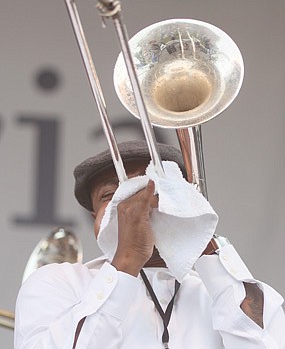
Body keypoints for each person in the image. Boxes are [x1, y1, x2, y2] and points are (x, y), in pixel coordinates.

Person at [14, 140, 285, 349]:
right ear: (95, 218)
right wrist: (127, 260)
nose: (137, 204)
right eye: (112, 195)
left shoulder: (224, 289)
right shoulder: (58, 282)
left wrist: (201, 237)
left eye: (155, 190)